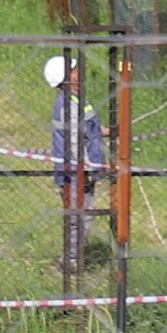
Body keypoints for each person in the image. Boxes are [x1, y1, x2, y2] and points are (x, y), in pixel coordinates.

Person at [45, 55, 105, 274]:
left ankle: (73, 259)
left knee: (82, 216)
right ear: (66, 77)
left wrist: (103, 132)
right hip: (75, 173)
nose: (80, 71)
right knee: (78, 218)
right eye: (75, 69)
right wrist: (87, 168)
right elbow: (73, 140)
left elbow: (86, 130)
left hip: (81, 170)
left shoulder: (77, 100)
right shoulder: (68, 105)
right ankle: (70, 263)